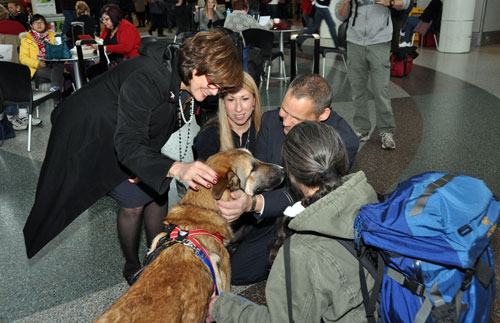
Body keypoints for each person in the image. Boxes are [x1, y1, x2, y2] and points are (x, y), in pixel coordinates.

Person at [23, 30, 243, 285]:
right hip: (93, 136)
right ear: (195, 65)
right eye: (213, 83)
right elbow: (127, 144)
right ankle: (132, 265)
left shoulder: (179, 76)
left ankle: (158, 255)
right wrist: (174, 168)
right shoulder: (148, 76)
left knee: (158, 191)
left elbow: (151, 125)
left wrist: (150, 165)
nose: (215, 92)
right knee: (134, 201)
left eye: (220, 86)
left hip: (125, 131)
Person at [206, 121, 378, 322]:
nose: (284, 120)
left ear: (292, 176)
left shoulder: (299, 251)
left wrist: (221, 307)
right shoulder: (369, 197)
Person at [217, 73, 359, 285]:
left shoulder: (343, 141)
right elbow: (262, 178)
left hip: (315, 219)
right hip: (273, 214)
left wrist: (254, 204)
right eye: (284, 110)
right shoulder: (270, 121)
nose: (285, 121)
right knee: (237, 273)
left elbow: (308, 193)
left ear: (322, 115)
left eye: (297, 119)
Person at [336, 0, 410, 150]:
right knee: (358, 90)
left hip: (380, 41)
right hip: (354, 41)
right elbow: (340, 15)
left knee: (380, 89)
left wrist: (390, 1)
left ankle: (386, 131)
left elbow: (406, 3)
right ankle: (362, 129)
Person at [194, 71, 262, 160]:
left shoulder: (265, 129)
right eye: (231, 100)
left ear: (254, 101)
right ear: (223, 102)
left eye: (244, 99)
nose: (238, 108)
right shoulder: (209, 134)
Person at [19, 14, 65, 100]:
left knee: (59, 65)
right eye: (36, 23)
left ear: (45, 24)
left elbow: (60, 51)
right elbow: (23, 58)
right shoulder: (26, 39)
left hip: (54, 64)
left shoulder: (52, 36)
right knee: (59, 76)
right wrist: (37, 63)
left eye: (41, 22)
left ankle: (55, 94)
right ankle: (57, 102)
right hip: (37, 68)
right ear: (31, 25)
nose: (39, 24)